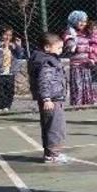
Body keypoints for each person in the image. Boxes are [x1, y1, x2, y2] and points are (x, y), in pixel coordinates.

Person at [28, 33, 69, 164]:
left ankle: (49, 153)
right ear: (47, 47)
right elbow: (44, 81)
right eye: (58, 48)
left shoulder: (43, 60)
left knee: (49, 125)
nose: (60, 51)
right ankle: (53, 154)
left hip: (53, 98)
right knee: (55, 127)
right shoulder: (47, 62)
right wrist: (47, 98)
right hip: (52, 100)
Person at [63, 11, 97, 106]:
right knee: (78, 86)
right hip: (77, 65)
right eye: (80, 21)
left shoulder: (88, 32)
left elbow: (96, 43)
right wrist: (87, 48)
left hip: (89, 64)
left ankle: (90, 103)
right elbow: (71, 47)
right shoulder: (70, 32)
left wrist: (94, 51)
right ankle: (78, 105)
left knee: (90, 84)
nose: (83, 24)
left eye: (85, 21)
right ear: (74, 21)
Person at [0, 26, 25, 111]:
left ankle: (7, 106)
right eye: (5, 35)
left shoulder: (13, 45)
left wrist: (18, 46)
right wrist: (1, 48)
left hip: (10, 71)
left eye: (10, 35)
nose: (7, 37)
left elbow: (20, 55)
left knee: (9, 90)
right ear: (1, 35)